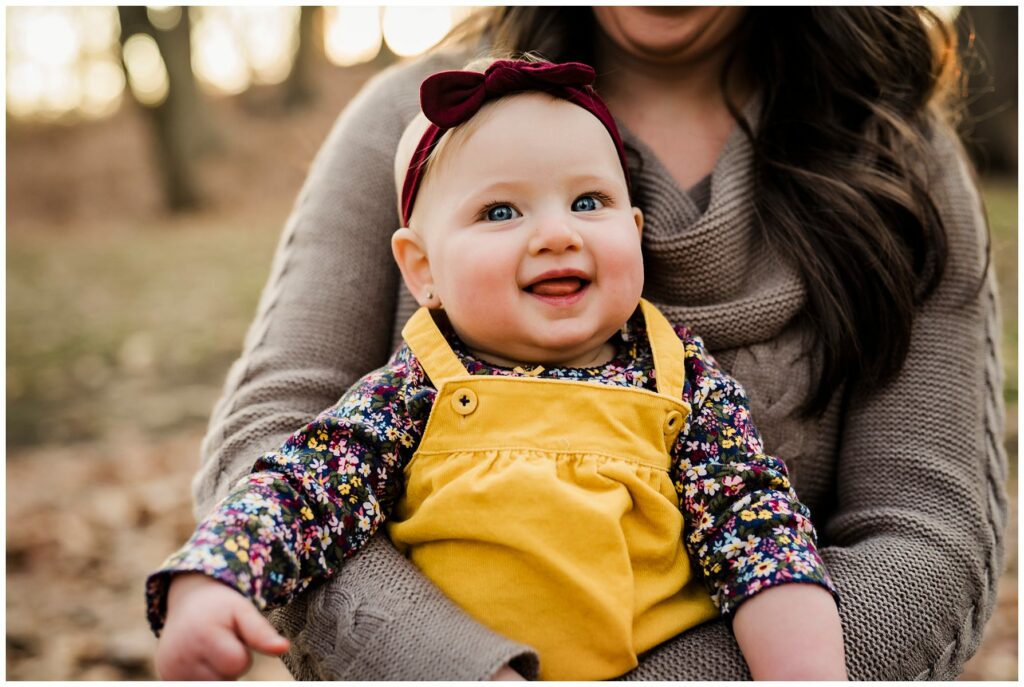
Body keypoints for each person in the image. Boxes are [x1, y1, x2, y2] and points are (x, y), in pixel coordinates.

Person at [189, 7, 1006, 682]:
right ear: (422, 265)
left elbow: (894, 533)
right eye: (500, 213)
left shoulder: (892, 164)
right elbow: (289, 466)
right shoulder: (412, 135)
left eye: (588, 201)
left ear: (635, 228)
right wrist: (215, 572)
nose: (555, 238)